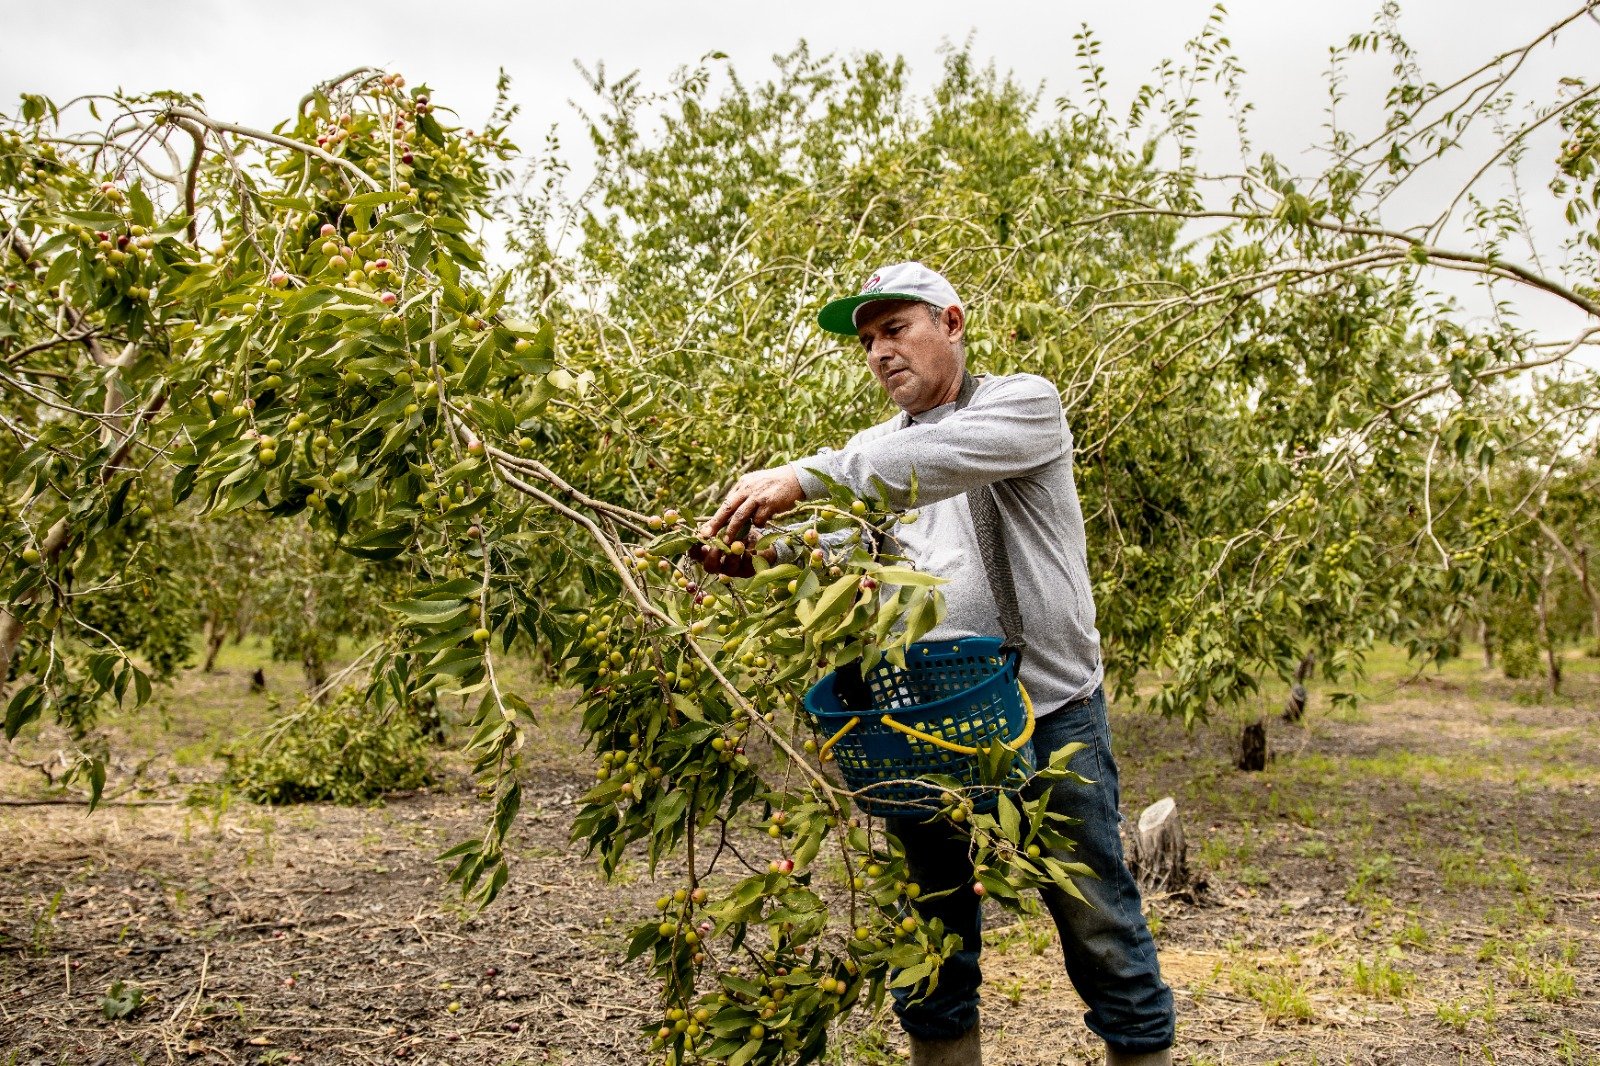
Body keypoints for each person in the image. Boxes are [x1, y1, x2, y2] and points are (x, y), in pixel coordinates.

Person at [698, 263, 1175, 1066]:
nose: (879, 351)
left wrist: (804, 476)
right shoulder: (871, 449)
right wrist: (759, 557)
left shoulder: (1023, 405)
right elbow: (842, 541)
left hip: (1049, 715)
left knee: (1099, 923)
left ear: (951, 323)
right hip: (926, 726)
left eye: (895, 328)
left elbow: (931, 462)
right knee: (929, 933)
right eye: (867, 341)